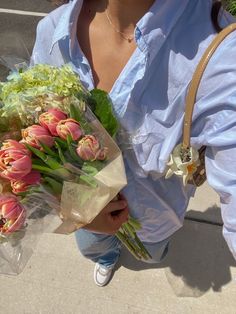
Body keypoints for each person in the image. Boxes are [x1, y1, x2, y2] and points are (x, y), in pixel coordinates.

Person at [31, 0, 236, 286]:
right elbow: (35, 135)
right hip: (86, 209)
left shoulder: (221, 56)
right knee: (94, 246)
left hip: (155, 221)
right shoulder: (53, 32)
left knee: (152, 254)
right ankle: (106, 258)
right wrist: (76, 210)